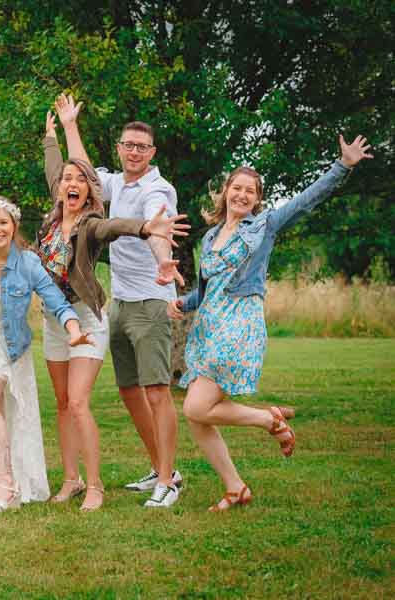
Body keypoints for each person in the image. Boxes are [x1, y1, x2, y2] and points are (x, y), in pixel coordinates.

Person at [168, 135, 372, 511]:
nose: (242, 195)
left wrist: (342, 166)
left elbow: (305, 200)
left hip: (238, 326)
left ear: (258, 198)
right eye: (237, 188)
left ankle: (268, 420)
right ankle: (235, 487)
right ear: (226, 191)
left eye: (251, 191)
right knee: (199, 416)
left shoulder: (263, 226)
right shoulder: (212, 235)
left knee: (195, 408)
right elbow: (208, 289)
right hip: (210, 326)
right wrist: (182, 302)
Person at [39, 108, 190, 511]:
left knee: (157, 392)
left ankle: (168, 481)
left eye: (142, 147)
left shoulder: (158, 190)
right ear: (120, 149)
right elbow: (78, 172)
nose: (134, 152)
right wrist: (68, 128)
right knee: (129, 392)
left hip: (150, 301)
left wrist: (161, 257)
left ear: (152, 152)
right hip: (119, 302)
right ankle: (160, 468)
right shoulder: (110, 183)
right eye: (128, 145)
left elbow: (143, 226)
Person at [0, 197, 88, 512]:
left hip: (7, 342)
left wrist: (74, 330)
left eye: (3, 223)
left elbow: (56, 300)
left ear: (14, 226)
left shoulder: (27, 262)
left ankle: (7, 485)